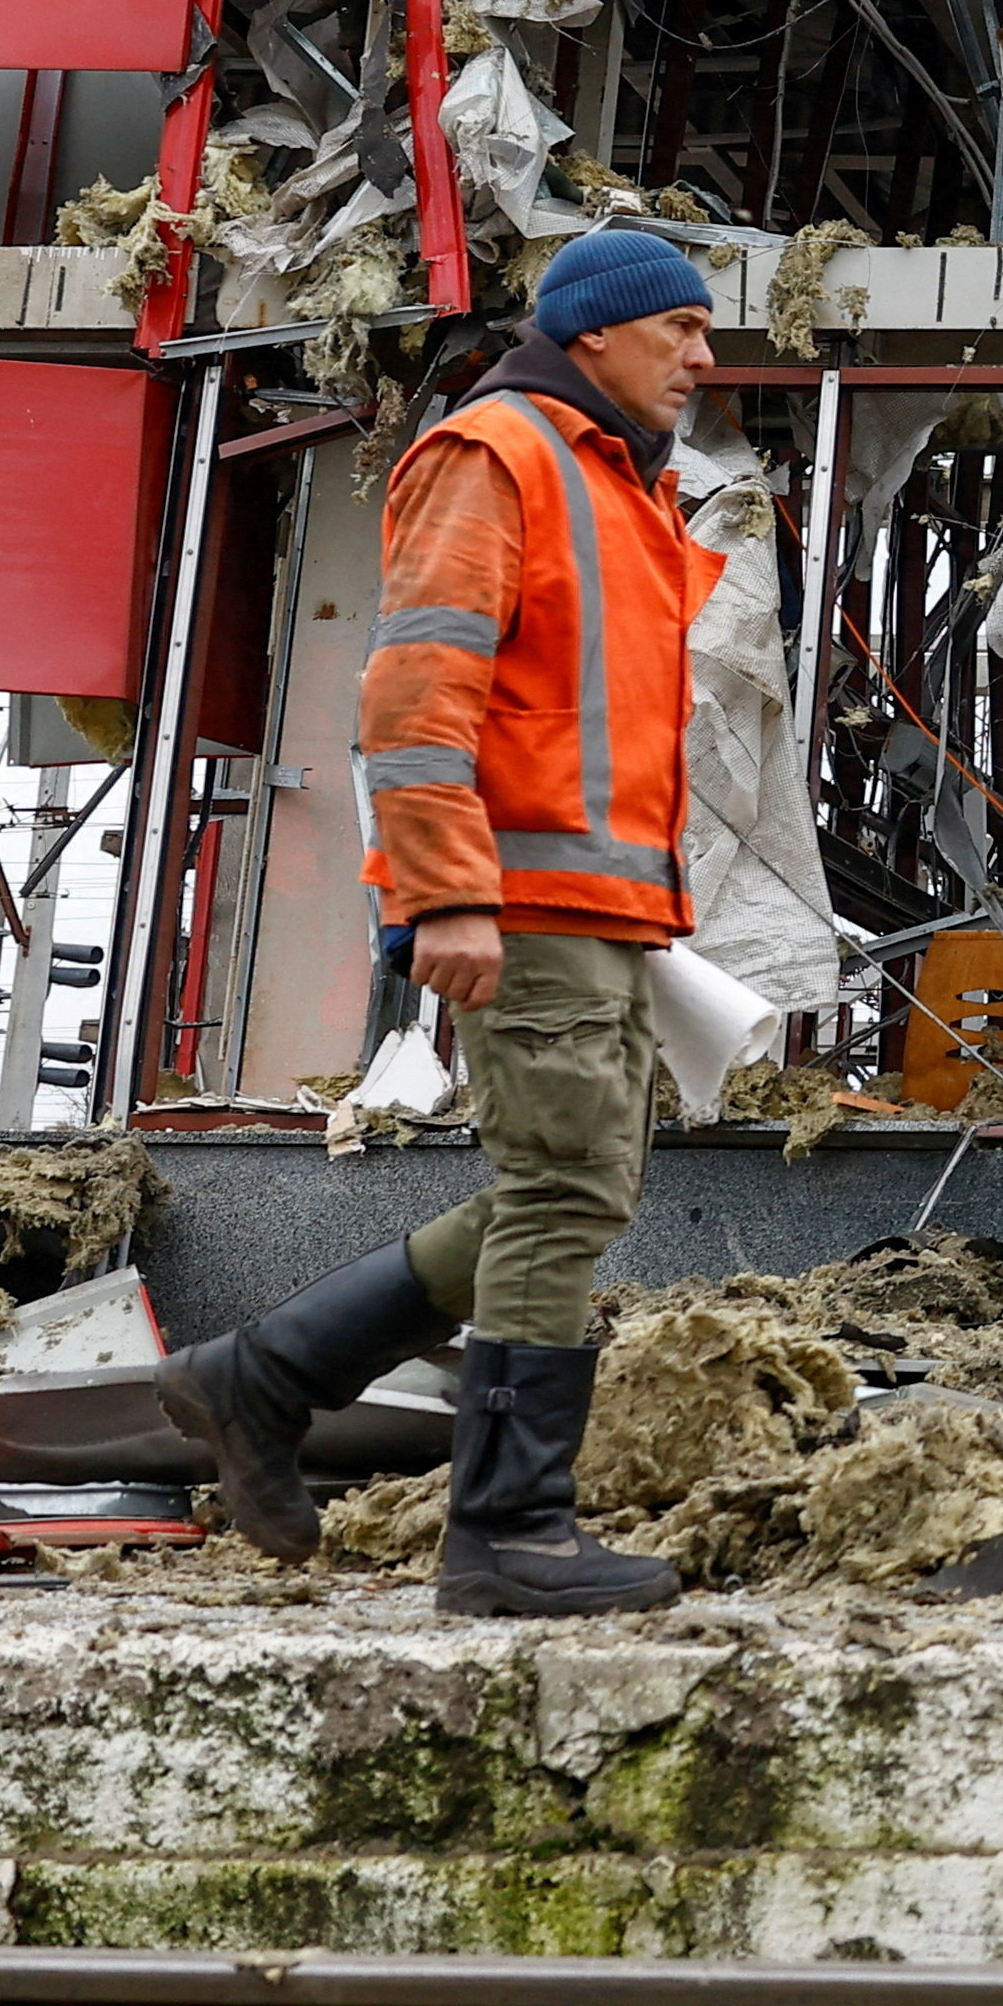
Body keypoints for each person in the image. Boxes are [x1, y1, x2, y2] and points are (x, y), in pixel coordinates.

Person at [155, 225, 727, 1618]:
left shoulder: (623, 481)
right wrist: (448, 895)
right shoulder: (501, 454)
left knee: (578, 1186)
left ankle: (264, 1377)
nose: (704, 359)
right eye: (682, 330)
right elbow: (416, 699)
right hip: (522, 903)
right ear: (595, 331)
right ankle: (506, 1534)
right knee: (562, 1191)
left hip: (596, 907)